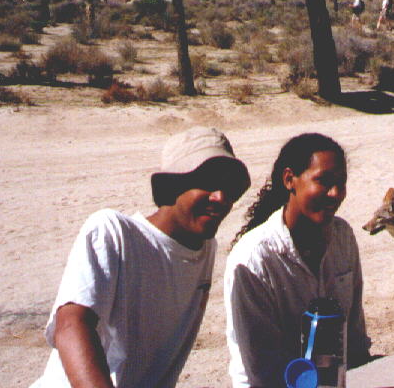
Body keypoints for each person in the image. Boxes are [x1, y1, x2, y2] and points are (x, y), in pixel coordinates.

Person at [31, 126, 251, 388]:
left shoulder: (205, 248)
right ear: (175, 183)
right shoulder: (114, 232)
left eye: (229, 187)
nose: (221, 198)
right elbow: (71, 325)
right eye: (208, 183)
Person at [224, 133, 371, 388]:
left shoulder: (343, 237)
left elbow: (354, 336)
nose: (335, 193)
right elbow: (262, 369)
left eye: (341, 183)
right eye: (323, 182)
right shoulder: (254, 258)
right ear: (290, 179)